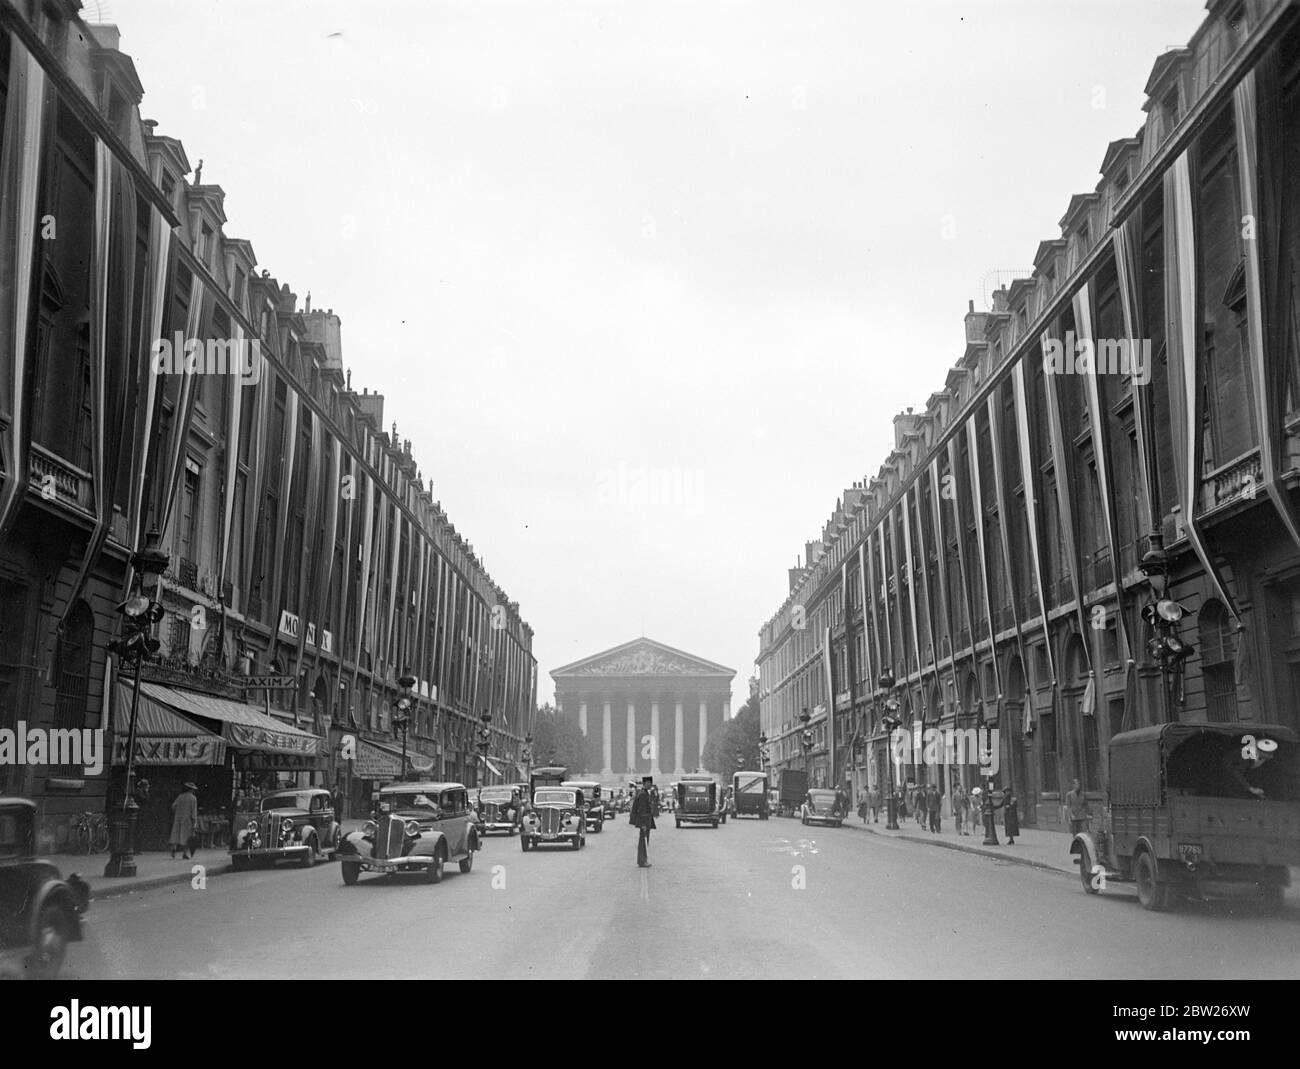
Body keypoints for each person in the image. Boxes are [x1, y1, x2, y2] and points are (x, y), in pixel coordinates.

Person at [631, 776, 657, 868]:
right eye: (649, 783)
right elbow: (642, 810)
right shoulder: (642, 794)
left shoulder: (643, 793)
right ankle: (642, 861)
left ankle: (642, 860)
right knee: (643, 841)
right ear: (646, 783)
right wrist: (643, 824)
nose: (650, 785)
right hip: (644, 821)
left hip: (646, 820)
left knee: (643, 840)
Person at [170, 781, 199, 860]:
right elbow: (194, 811)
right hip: (187, 819)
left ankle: (173, 848)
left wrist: (178, 812)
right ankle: (185, 853)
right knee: (187, 836)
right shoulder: (193, 798)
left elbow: (173, 806)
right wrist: (194, 822)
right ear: (191, 790)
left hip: (178, 817)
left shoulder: (180, 796)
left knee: (176, 833)